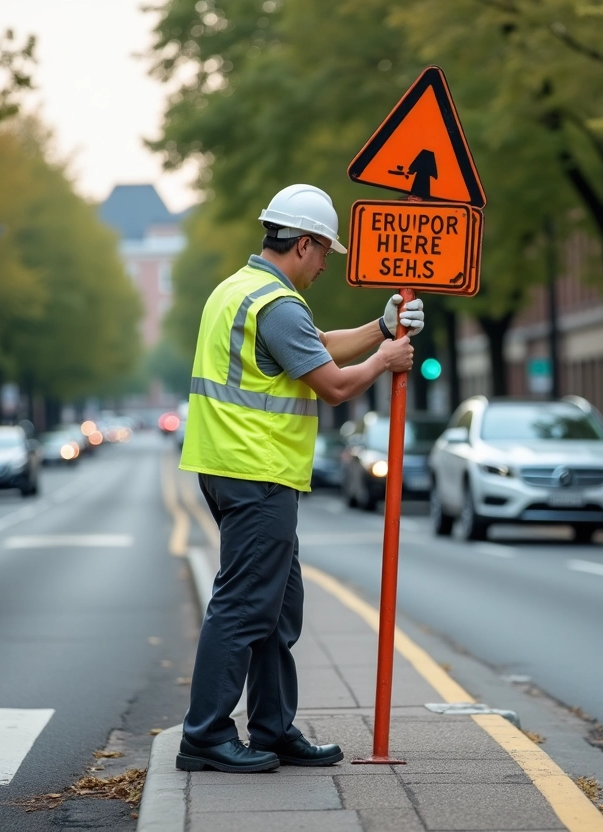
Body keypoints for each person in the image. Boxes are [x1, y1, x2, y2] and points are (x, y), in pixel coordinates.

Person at [176, 184, 423, 774]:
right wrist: (385, 360)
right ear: (305, 244)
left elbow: (311, 349)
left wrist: (380, 326)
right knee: (242, 607)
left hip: (237, 469)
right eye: (323, 254)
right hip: (254, 472)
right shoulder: (278, 303)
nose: (322, 267)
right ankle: (206, 735)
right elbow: (334, 383)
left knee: (279, 608)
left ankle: (272, 728)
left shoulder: (242, 290)